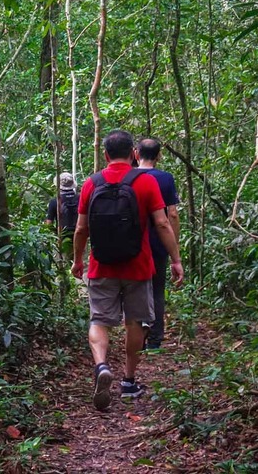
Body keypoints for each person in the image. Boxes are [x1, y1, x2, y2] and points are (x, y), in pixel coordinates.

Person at [72, 130, 184, 410]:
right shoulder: (146, 182)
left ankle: (101, 366)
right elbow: (162, 223)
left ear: (105, 154)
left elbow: (81, 228)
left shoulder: (91, 183)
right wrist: (176, 259)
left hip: (102, 265)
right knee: (135, 322)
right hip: (138, 265)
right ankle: (129, 381)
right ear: (133, 153)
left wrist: (77, 261)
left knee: (99, 320)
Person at [136, 137, 180, 350]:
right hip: (159, 241)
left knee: (135, 290)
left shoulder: (130, 176)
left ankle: (137, 338)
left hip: (134, 243)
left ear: (136, 154)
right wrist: (174, 249)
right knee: (157, 290)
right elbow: (172, 214)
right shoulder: (165, 178)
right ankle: (154, 339)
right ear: (159, 156)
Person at [46, 173, 79, 256]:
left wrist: (57, 233)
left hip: (63, 235)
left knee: (65, 259)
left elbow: (48, 224)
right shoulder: (80, 198)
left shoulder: (55, 201)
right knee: (79, 258)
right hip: (79, 234)